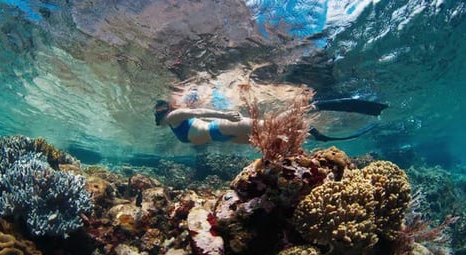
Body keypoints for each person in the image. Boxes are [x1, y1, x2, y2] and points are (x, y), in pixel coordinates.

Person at [154, 98, 388, 145]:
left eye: (157, 112)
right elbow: (198, 115)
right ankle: (312, 132)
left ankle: (313, 106)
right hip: (222, 135)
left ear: (164, 110)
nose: (157, 117)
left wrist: (225, 115)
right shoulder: (173, 120)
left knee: (271, 125)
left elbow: (202, 111)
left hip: (221, 128)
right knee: (271, 138)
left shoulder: (172, 117)